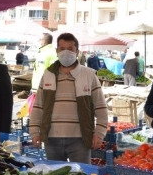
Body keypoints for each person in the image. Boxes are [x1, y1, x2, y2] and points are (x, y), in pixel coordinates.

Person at [29, 33, 108, 163]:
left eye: (70, 49)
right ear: (56, 51)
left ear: (77, 52)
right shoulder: (47, 74)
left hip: (80, 139)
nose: (66, 52)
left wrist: (99, 134)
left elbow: (101, 108)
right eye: (62, 48)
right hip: (51, 139)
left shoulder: (89, 75)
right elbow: (38, 106)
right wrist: (34, 131)